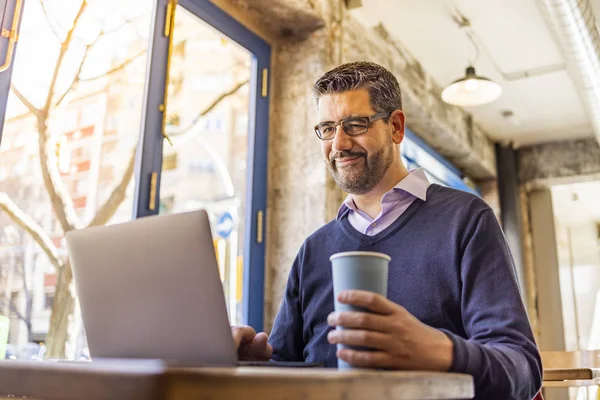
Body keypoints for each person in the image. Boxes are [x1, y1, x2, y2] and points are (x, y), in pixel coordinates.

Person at [232, 61, 542, 399]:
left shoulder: (464, 219)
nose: (339, 143)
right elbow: (289, 369)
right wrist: (251, 366)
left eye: (355, 124)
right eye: (327, 127)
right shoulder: (314, 250)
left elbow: (523, 368)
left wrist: (440, 351)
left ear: (395, 127)